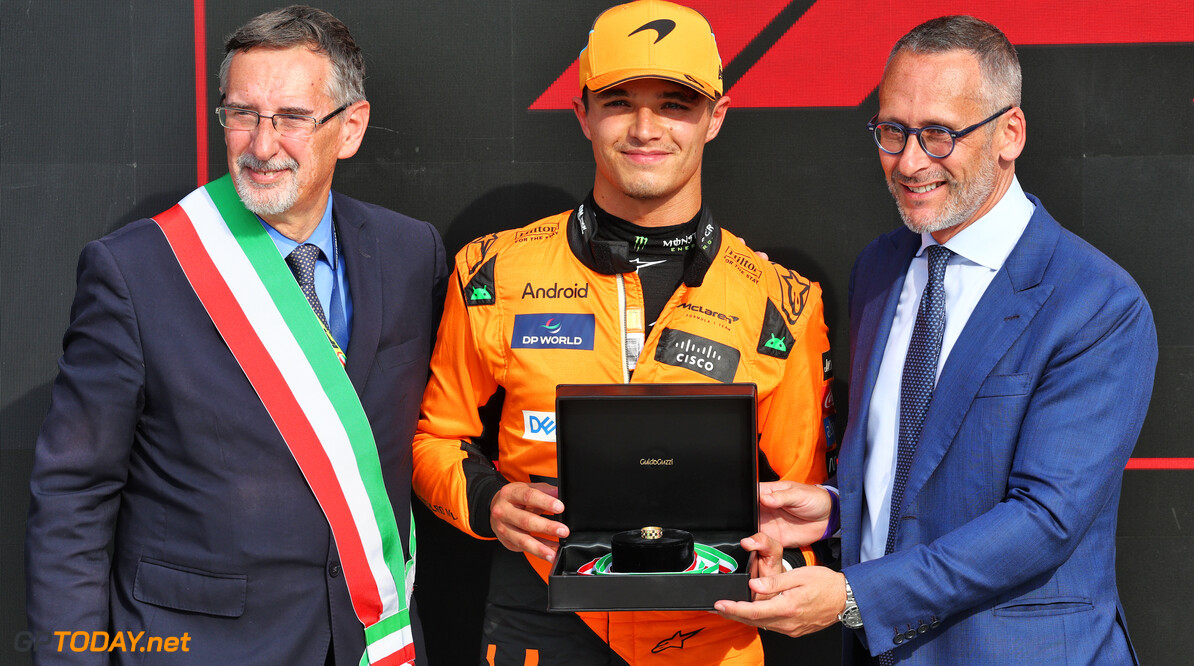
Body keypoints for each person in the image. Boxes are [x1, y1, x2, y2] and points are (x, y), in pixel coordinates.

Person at [714, 15, 1157, 665]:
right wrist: (838, 511)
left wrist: (852, 596)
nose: (910, 161)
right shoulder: (879, 269)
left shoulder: (1096, 303)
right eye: (892, 131)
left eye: (940, 134)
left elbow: (1043, 522)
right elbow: (920, 467)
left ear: (1010, 133)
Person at [411, 1, 834, 663]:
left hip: (710, 630)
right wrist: (491, 501)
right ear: (582, 113)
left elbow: (802, 494)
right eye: (618, 102)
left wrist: (788, 557)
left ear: (715, 118)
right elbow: (435, 437)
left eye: (674, 103)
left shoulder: (780, 302)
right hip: (542, 619)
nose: (645, 129)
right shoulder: (494, 269)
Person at [25, 6, 447, 664]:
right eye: (241, 113)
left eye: (291, 118)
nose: (260, 144)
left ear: (351, 127)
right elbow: (72, 498)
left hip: (372, 639)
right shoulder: (136, 271)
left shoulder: (409, 252)